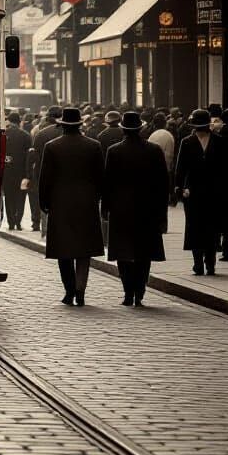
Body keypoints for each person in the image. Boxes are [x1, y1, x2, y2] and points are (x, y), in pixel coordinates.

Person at [37, 107, 105, 306]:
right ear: (79, 125)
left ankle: (69, 291)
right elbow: (101, 178)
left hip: (60, 204)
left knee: (63, 250)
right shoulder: (94, 146)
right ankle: (80, 291)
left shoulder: (52, 147)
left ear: (62, 126)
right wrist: (97, 198)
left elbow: (45, 179)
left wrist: (44, 202)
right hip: (86, 203)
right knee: (84, 251)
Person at [102, 111, 168, 306]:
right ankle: (139, 291)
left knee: (123, 253)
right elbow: (163, 183)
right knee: (144, 252)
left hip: (121, 209)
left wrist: (105, 207)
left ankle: (128, 292)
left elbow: (108, 183)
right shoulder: (154, 150)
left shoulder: (114, 151)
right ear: (140, 129)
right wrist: (162, 211)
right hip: (148, 208)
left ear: (123, 129)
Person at [174, 108, 228, 276]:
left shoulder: (220, 141)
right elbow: (180, 167)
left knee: (212, 228)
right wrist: (179, 187)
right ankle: (198, 263)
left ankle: (210, 263)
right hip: (193, 192)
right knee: (194, 228)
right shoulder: (187, 142)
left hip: (214, 192)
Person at [25, 105, 62, 232]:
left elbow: (33, 156)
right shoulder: (69, 132)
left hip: (44, 173)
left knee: (44, 202)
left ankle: (45, 231)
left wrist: (31, 175)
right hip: (64, 175)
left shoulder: (40, 133)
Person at [2, 111, 31, 230]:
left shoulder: (4, 134)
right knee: (20, 198)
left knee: (9, 198)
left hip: (7, 172)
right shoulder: (26, 136)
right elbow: (29, 156)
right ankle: (18, 221)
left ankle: (11, 222)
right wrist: (28, 175)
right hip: (21, 173)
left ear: (9, 121)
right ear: (19, 122)